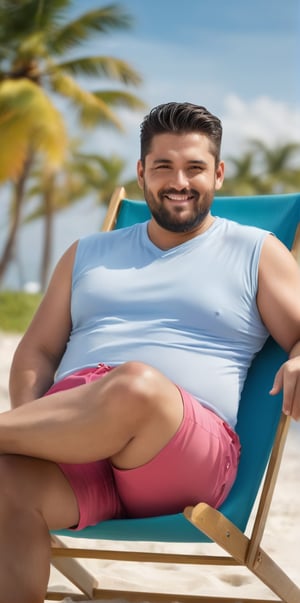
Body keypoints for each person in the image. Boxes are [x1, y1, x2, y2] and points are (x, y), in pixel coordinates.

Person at [0, 101, 300, 603]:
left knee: (135, 384)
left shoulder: (254, 250)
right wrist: (44, 430)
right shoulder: (87, 253)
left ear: (219, 174)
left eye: (195, 168)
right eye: (163, 166)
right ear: (142, 172)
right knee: (7, 484)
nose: (178, 181)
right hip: (79, 454)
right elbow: (38, 351)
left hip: (181, 455)